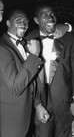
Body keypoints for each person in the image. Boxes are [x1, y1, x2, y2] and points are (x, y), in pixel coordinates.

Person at [26, 5, 74, 137]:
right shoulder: (29, 39)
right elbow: (28, 77)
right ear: (36, 20)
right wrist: (37, 104)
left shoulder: (71, 38)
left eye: (52, 14)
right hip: (42, 104)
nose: (50, 18)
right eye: (45, 15)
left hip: (66, 105)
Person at [0, 9, 44, 137]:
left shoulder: (25, 44)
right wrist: (34, 56)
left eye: (26, 21)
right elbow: (16, 87)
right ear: (8, 23)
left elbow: (29, 79)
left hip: (25, 115)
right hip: (10, 120)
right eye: (18, 20)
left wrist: (38, 105)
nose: (23, 24)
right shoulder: (2, 48)